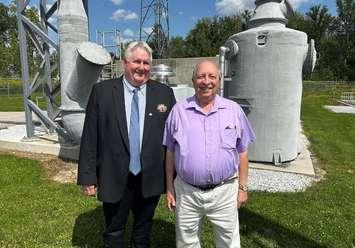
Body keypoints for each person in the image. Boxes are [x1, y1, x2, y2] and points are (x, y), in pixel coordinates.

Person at [77, 41, 176, 248]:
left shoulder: (164, 93)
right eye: (136, 61)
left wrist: (174, 179)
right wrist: (88, 177)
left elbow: (174, 139)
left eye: (146, 63)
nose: (142, 67)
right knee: (113, 231)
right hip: (113, 174)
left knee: (143, 232)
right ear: (125, 63)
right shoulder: (101, 92)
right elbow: (89, 137)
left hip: (149, 177)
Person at [164, 60, 255, 248]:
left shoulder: (234, 110)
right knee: (186, 243)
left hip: (225, 191)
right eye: (201, 76)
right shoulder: (178, 111)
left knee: (228, 243)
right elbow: (170, 153)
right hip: (187, 191)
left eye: (212, 76)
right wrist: (169, 188)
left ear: (219, 80)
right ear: (193, 80)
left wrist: (243, 188)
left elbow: (243, 151)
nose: (206, 81)